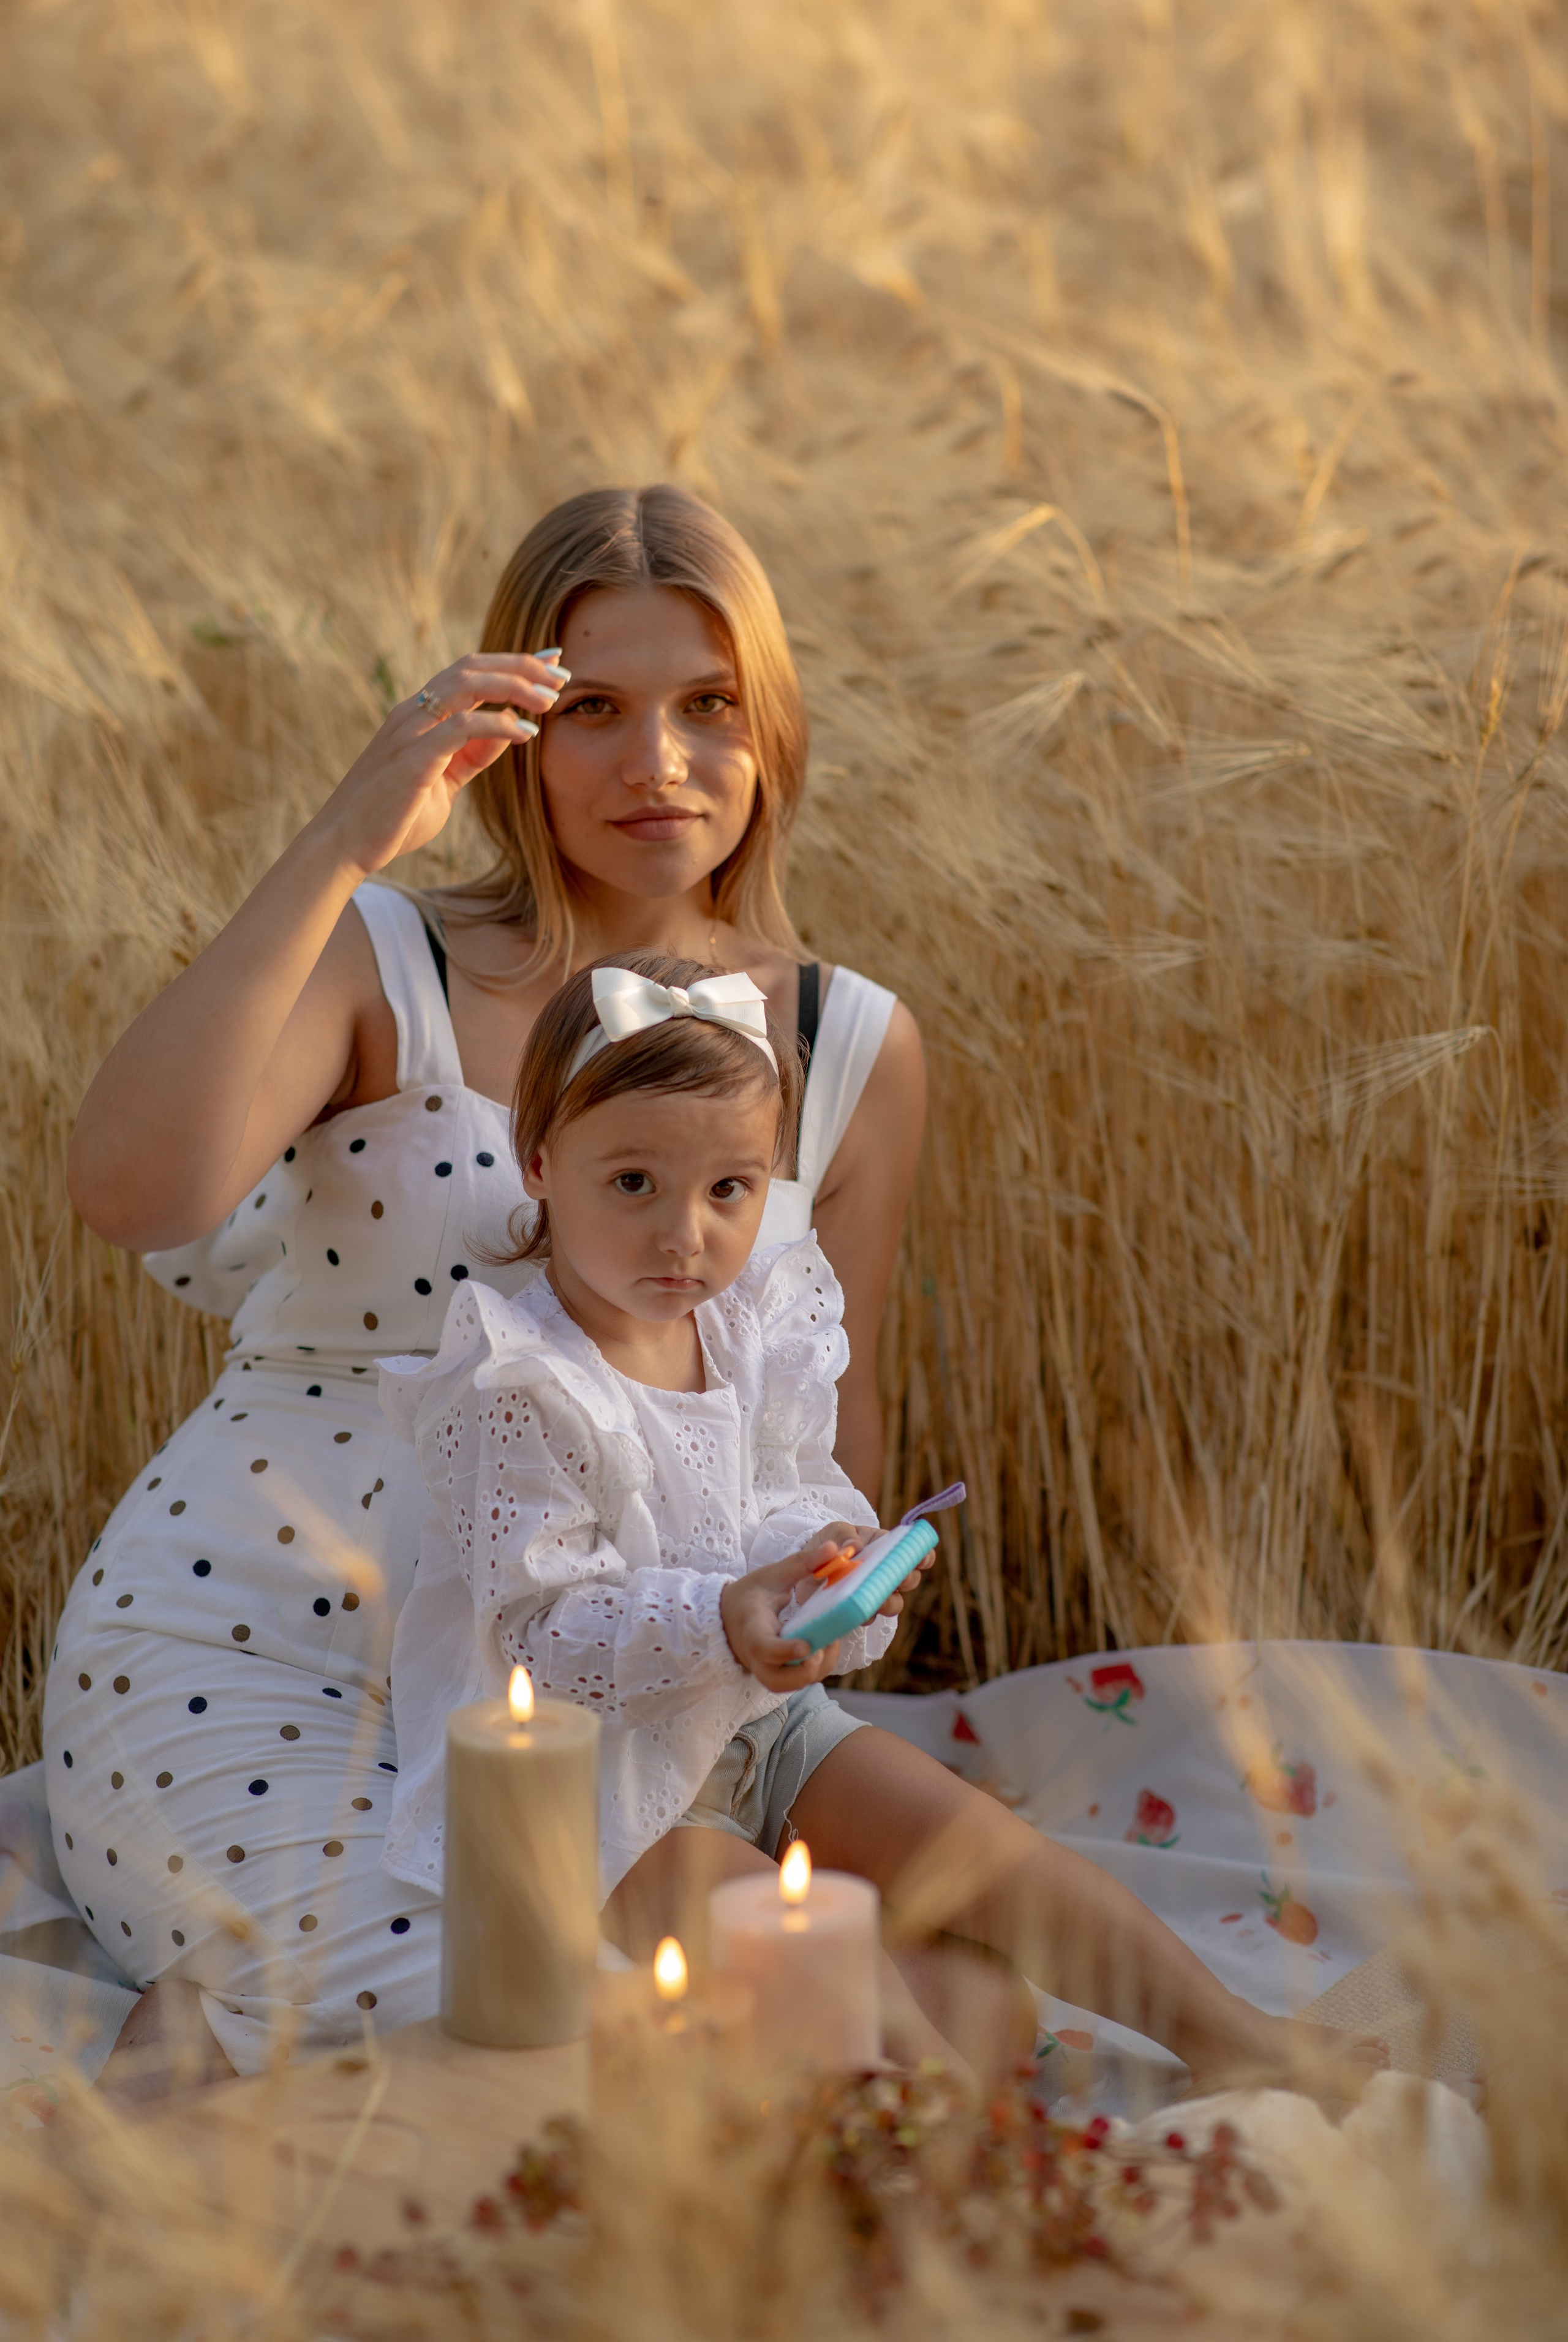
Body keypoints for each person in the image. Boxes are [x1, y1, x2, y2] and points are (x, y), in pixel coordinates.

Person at [43, 486, 924, 2082]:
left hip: (605, 1692)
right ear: (512, 728)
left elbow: (819, 1442)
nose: (657, 761)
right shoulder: (388, 956)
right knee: (536, 2054)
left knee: (826, 2046)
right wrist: (343, 840)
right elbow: (128, 1191)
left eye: (709, 705)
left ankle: (222, 2055)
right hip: (251, 1656)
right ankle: (208, 2045)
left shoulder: (845, 1040)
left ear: (773, 727)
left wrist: (799, 1629)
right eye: (594, 710)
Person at [383, 954, 1363, 2092]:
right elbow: (543, 1630)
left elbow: (796, 1487)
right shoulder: (516, 1382)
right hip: (600, 1789)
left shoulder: (748, 1327)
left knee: (989, 1855)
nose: (686, 1236)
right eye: (635, 1183)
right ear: (542, 1162)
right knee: (841, 1986)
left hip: (759, 1718)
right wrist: (725, 1617)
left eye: (729, 1189)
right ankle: (962, 2147)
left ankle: (1230, 2034)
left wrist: (828, 1572)